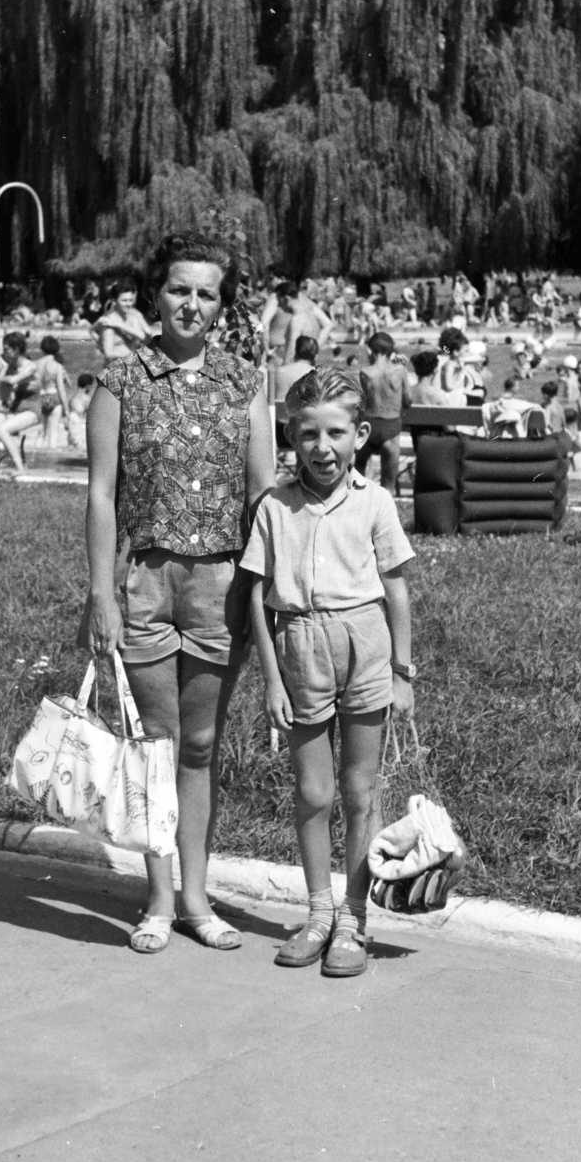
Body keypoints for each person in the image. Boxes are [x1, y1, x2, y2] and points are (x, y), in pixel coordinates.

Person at [83, 230, 274, 954]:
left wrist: (268, 591)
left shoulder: (243, 384)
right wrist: (101, 594)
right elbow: (101, 497)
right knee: (154, 747)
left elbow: (261, 495)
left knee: (200, 744)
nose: (191, 304)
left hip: (221, 586)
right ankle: (159, 899)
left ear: (222, 306)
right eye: (178, 289)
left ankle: (198, 897)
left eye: (206, 293)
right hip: (147, 584)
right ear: (154, 295)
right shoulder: (119, 381)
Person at [241, 366, 415, 978]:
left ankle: (353, 918)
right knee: (313, 792)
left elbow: (396, 590)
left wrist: (402, 673)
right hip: (300, 649)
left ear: (361, 434)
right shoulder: (274, 508)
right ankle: (317, 912)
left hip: (364, 644)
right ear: (291, 437)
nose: (322, 448)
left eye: (336, 433)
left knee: (360, 790)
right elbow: (258, 599)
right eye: (307, 435)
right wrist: (269, 678)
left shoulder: (376, 502)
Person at [354, 332, 409, 493]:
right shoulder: (400, 371)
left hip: (369, 426)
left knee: (358, 476)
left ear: (370, 351)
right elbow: (408, 401)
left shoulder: (364, 372)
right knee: (388, 486)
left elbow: (361, 401)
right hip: (390, 427)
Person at [0, 331, 41, 474]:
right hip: (15, 409)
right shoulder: (10, 366)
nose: (4, 354)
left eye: (6, 350)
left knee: (2, 430)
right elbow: (3, 391)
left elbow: (12, 381)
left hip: (32, 410)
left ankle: (20, 469)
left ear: (16, 349)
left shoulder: (30, 367)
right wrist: (3, 369)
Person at [94, 280, 152, 365]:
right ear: (114, 301)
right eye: (124, 301)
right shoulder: (108, 322)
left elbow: (148, 336)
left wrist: (119, 325)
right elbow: (109, 353)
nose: (129, 304)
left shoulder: (135, 315)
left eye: (130, 300)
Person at [36, 334, 71, 447]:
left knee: (41, 433)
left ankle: (35, 459)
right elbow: (61, 389)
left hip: (40, 398)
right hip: (53, 397)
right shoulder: (57, 366)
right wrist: (66, 409)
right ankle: (51, 458)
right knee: (53, 435)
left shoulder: (36, 364)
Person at [67, 372, 95, 450]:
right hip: (79, 426)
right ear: (88, 385)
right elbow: (92, 415)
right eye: (91, 385)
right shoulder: (86, 399)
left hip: (71, 424)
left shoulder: (72, 397)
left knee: (72, 448)